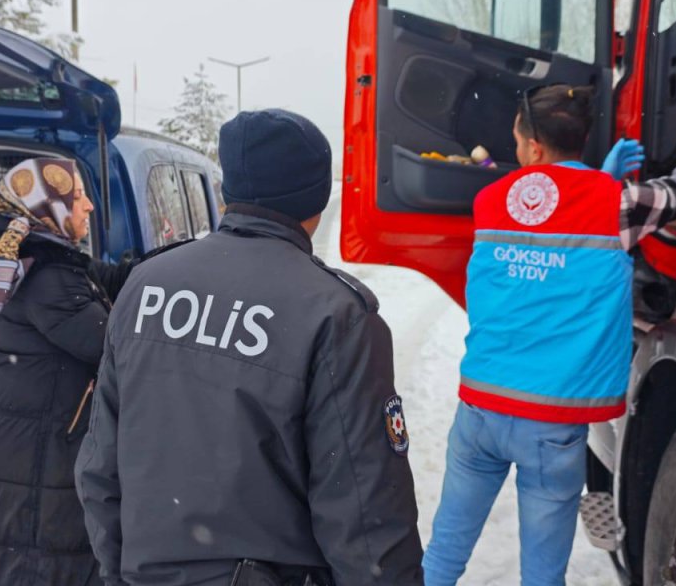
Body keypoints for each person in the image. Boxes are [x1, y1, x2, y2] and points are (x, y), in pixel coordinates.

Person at [76, 109, 425, 586]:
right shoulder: (334, 314)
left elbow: (100, 468)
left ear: (227, 192)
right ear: (317, 202)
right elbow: (366, 517)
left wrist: (120, 574)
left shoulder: (144, 285)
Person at [422, 82, 676, 586]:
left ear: (534, 147)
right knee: (542, 574)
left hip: (481, 409)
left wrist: (596, 181)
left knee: (443, 554)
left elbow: (545, 216)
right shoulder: (618, 204)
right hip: (550, 424)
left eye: (517, 141)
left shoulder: (489, 200)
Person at [0, 157, 143, 585]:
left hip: (26, 451)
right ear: (48, 208)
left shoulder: (41, 258)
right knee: (41, 562)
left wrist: (180, 259)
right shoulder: (47, 278)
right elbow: (117, 351)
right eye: (78, 197)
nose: (89, 206)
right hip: (37, 462)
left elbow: (113, 277)